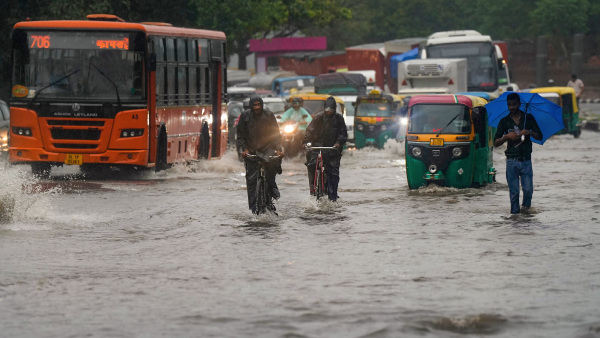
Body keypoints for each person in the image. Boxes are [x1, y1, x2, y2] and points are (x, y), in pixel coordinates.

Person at [493, 93, 543, 214]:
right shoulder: (504, 121)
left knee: (528, 190)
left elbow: (539, 136)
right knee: (514, 192)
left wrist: (529, 133)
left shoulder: (528, 118)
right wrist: (506, 137)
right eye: (509, 105)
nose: (512, 107)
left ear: (519, 104)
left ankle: (525, 213)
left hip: (526, 160)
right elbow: (495, 142)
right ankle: (514, 217)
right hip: (511, 160)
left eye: (514, 104)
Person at [236, 95, 284, 214]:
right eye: (255, 105)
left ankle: (272, 192)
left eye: (259, 105)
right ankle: (254, 208)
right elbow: (240, 135)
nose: (257, 107)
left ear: (262, 105)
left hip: (267, 148)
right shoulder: (245, 116)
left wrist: (278, 148)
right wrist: (245, 149)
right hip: (251, 150)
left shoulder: (269, 115)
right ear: (251, 106)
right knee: (251, 180)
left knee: (271, 168)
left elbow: (276, 134)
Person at [302, 96, 348, 201]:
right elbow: (310, 131)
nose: (329, 112)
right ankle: (313, 189)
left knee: (333, 173)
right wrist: (305, 142)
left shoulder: (339, 118)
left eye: (331, 110)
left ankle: (333, 197)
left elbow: (343, 134)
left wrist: (338, 143)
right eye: (327, 109)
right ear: (324, 108)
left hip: (332, 149)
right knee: (311, 165)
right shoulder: (318, 117)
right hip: (317, 147)